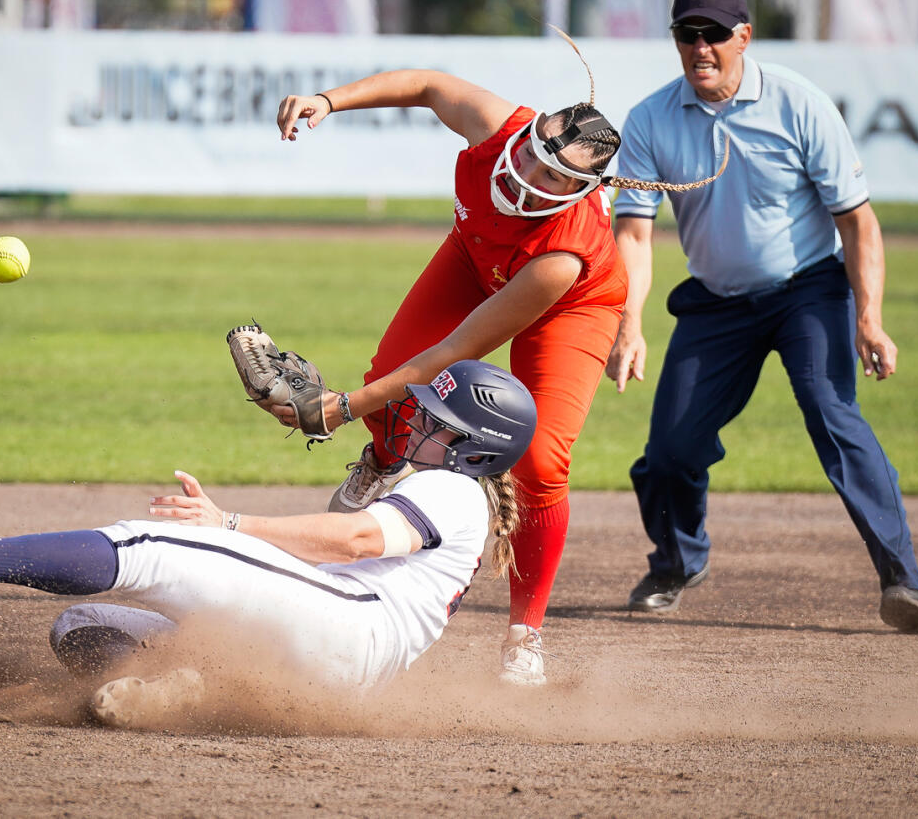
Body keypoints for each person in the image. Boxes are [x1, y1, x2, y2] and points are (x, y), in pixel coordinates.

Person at [273, 58, 720, 684]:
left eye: (554, 176)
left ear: (584, 191)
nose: (530, 175)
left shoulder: (561, 256)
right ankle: (382, 457)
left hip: (573, 306)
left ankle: (524, 633)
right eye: (534, 153)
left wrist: (342, 406)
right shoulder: (494, 128)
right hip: (475, 253)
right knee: (389, 376)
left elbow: (455, 353)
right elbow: (427, 84)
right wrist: (329, 99)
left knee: (539, 462)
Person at [0, 360, 537, 726]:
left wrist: (229, 524)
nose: (418, 420)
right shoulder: (447, 489)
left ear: (476, 451)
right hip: (334, 653)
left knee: (156, 543)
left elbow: (355, 540)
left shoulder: (454, 489)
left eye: (438, 420)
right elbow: (345, 541)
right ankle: (173, 693)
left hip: (346, 628)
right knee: (84, 624)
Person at [605, 0, 918, 633]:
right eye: (686, 33)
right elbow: (635, 232)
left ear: (743, 37)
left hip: (808, 290)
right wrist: (628, 324)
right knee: (671, 451)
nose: (700, 47)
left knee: (833, 416)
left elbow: (858, 222)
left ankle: (904, 578)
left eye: (714, 34)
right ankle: (677, 560)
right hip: (714, 303)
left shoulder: (799, 104)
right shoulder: (648, 119)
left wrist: (868, 316)